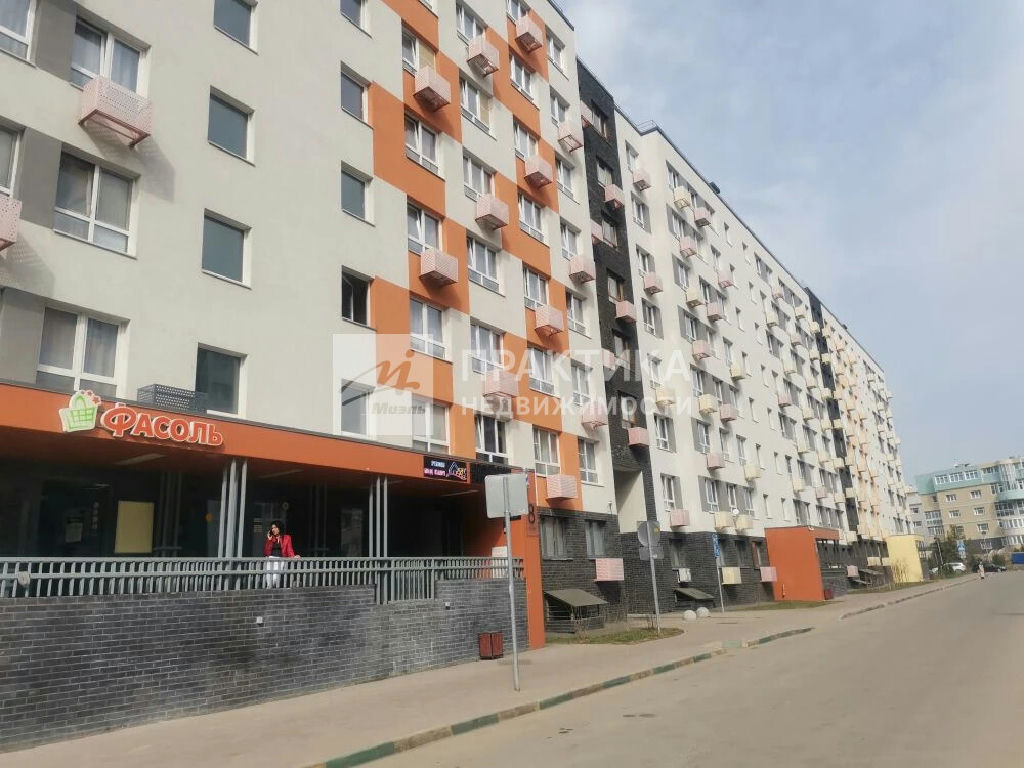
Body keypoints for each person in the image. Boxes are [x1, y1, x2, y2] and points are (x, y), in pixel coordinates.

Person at [264, 521, 299, 587]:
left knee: (275, 578)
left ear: (280, 528)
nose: (273, 529)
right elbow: (266, 552)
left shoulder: (287, 537)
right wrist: (269, 540)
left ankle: (269, 589)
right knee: (268, 577)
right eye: (272, 528)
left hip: (280, 560)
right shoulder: (271, 538)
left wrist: (293, 556)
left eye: (275, 527)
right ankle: (269, 589)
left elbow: (289, 549)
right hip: (270, 559)